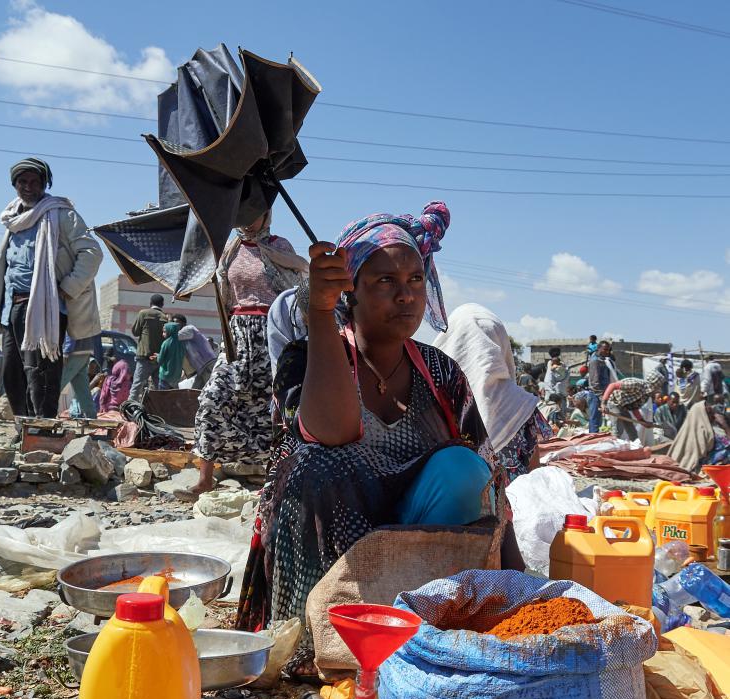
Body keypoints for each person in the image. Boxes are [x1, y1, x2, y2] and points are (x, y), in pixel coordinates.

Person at [236, 201, 521, 633]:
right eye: (385, 281)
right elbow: (332, 434)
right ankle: (311, 639)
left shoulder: (440, 372)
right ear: (351, 290)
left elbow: (493, 480)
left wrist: (521, 586)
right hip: (327, 552)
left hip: (410, 547)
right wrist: (318, 312)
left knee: (464, 466)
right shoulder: (305, 360)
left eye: (415, 279)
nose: (406, 295)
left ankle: (420, 621)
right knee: (320, 465)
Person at [185, 210, 308, 497]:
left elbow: (296, 288)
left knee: (272, 405)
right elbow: (225, 292)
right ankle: (205, 478)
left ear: (266, 216)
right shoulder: (230, 249)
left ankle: (272, 479)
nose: (247, 220)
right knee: (214, 396)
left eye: (253, 214)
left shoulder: (281, 247)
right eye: (242, 214)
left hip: (272, 331)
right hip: (237, 335)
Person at [0, 157, 102, 418]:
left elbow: (92, 252)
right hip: (12, 309)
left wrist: (67, 288)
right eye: (22, 181)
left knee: (41, 374)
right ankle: (25, 428)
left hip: (45, 307)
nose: (28, 186)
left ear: (44, 183)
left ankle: (44, 432)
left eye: (34, 181)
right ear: (14, 185)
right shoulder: (12, 219)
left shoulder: (61, 214)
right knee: (13, 374)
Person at [435, 303, 551, 482]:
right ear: (499, 345)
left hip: (450, 507)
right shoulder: (521, 405)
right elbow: (533, 475)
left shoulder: (430, 399)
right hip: (513, 505)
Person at [602, 371, 663, 441]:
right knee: (617, 430)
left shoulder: (646, 395)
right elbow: (612, 385)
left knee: (632, 432)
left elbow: (634, 407)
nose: (659, 389)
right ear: (655, 385)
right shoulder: (636, 385)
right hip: (614, 402)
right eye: (659, 386)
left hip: (623, 406)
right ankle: (614, 448)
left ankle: (636, 447)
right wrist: (603, 403)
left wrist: (643, 422)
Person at [129, 294, 167, 400]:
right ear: (162, 304)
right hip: (158, 358)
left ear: (150, 303)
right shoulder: (165, 317)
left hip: (144, 356)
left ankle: (129, 410)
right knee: (158, 390)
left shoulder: (143, 313)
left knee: (137, 386)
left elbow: (135, 332)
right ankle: (157, 412)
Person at [169, 314, 219, 389]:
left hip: (207, 364)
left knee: (212, 388)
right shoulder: (182, 338)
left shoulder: (189, 329)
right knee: (196, 391)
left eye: (177, 322)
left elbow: (173, 337)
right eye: (173, 322)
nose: (175, 325)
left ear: (184, 323)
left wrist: (168, 327)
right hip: (201, 368)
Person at [60, 333, 97, 418]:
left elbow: (72, 325)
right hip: (85, 350)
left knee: (57, 386)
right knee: (83, 389)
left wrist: (67, 350)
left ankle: (47, 416)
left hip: (74, 351)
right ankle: (91, 417)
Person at [587, 340, 615, 433]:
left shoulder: (604, 360)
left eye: (608, 350)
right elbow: (594, 382)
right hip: (596, 395)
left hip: (602, 394)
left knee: (599, 421)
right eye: (605, 349)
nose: (607, 352)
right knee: (595, 421)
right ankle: (592, 441)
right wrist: (601, 397)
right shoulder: (595, 361)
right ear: (599, 349)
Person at [158, 321, 186, 389]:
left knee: (162, 396)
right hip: (176, 376)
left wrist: (157, 357)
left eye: (165, 332)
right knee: (172, 396)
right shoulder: (182, 342)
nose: (163, 334)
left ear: (170, 331)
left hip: (165, 376)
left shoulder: (166, 343)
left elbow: (160, 360)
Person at [544, 347, 570, 416]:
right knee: (560, 417)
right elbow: (562, 378)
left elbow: (550, 381)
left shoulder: (551, 366)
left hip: (551, 396)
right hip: (559, 395)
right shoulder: (562, 366)